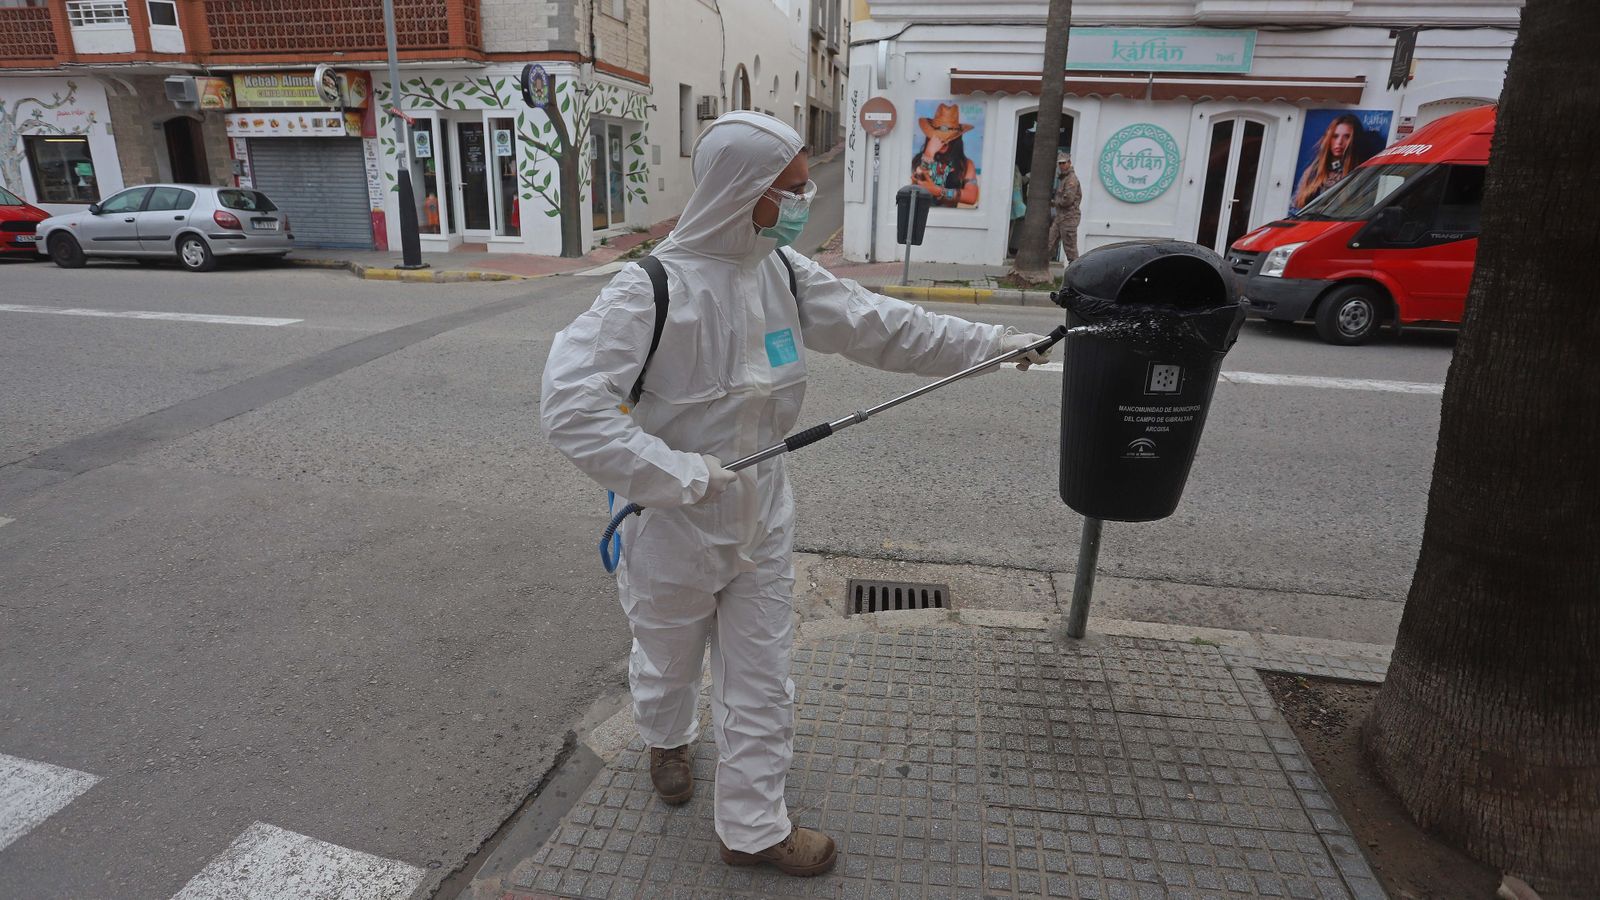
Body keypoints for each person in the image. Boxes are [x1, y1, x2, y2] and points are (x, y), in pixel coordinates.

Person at [540, 112, 1050, 878]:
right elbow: (572, 409)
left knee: (761, 673)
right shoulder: (647, 289)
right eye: (792, 188)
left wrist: (995, 346)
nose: (805, 200)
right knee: (668, 659)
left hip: (762, 512)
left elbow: (885, 325)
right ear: (744, 190)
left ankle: (751, 828)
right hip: (672, 523)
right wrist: (680, 476)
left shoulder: (780, 270)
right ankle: (666, 738)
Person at [911, 103, 980, 207]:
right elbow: (916, 186)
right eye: (938, 137)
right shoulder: (919, 159)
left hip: (950, 220)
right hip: (921, 216)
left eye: (948, 138)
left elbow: (971, 197)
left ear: (956, 139)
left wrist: (940, 191)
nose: (943, 142)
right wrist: (928, 154)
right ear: (931, 137)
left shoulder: (965, 164)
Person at [1293, 113, 1362, 210]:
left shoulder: (1358, 174)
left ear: (1354, 140)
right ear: (1329, 138)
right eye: (1335, 136)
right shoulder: (1312, 172)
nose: (1339, 142)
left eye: (1347, 136)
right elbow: (1294, 208)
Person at [1047, 152, 1083, 263]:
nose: (1061, 166)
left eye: (1063, 163)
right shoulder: (1064, 178)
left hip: (1069, 218)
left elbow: (1067, 200)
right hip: (1060, 217)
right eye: (1060, 163)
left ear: (1069, 163)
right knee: (1049, 243)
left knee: (1070, 250)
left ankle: (1076, 274)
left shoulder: (1071, 179)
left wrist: (1055, 202)